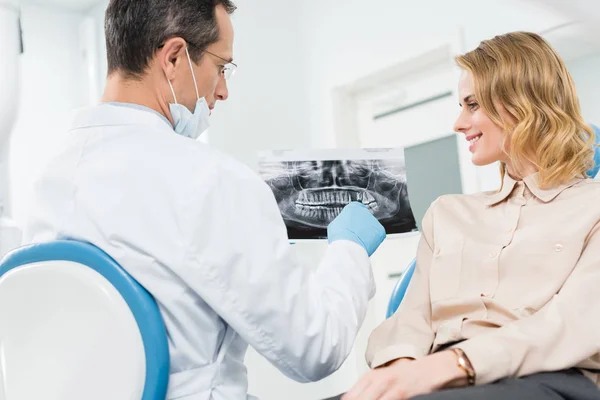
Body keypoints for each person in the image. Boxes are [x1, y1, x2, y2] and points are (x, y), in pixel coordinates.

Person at [21, 1, 387, 399]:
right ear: (174, 57)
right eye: (221, 66)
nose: (224, 90)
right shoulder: (210, 180)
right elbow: (315, 348)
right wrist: (349, 249)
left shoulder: (47, 181)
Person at [340, 31, 600, 400]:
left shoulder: (593, 207)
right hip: (435, 375)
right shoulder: (448, 213)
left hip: (549, 376)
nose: (458, 123)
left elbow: (573, 323)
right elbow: (411, 318)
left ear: (522, 103)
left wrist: (453, 365)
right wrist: (399, 369)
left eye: (472, 104)